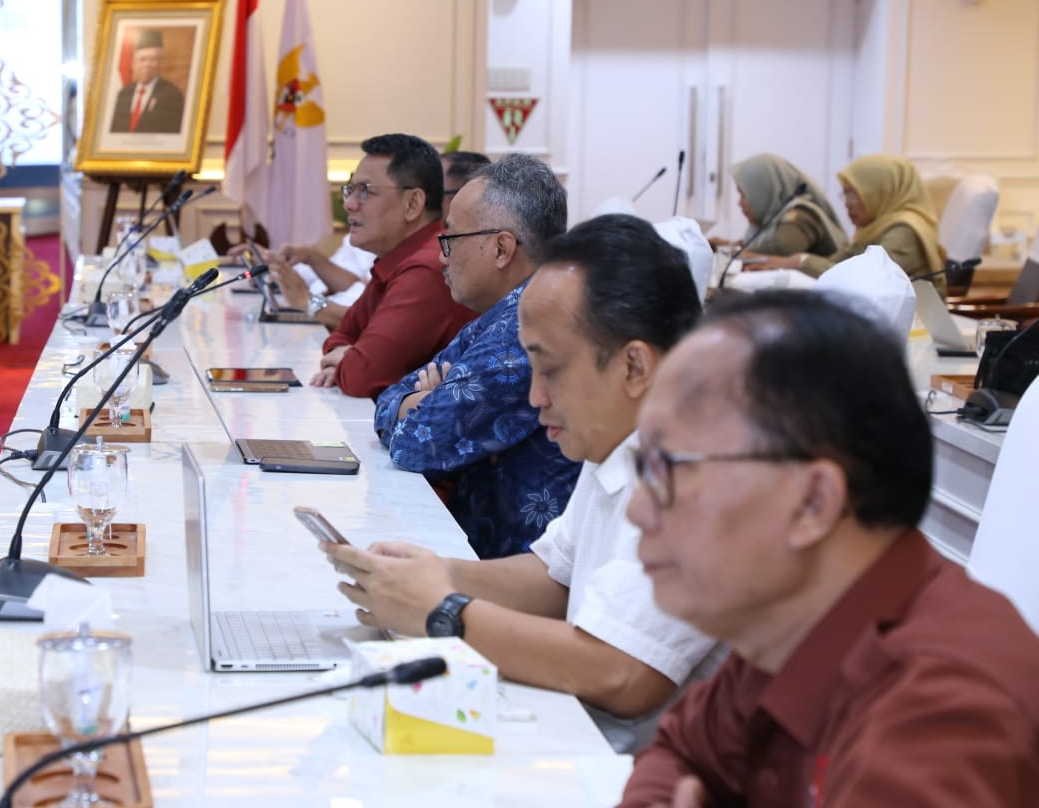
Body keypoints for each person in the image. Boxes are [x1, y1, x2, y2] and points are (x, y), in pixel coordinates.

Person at [620, 290, 1039, 807]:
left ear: (813, 502)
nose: (637, 509)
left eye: (669, 467)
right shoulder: (792, 619)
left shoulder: (945, 713)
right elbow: (678, 753)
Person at [324, 216, 720, 752]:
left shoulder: (702, 467)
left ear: (633, 366)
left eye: (551, 369)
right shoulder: (621, 432)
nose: (535, 397)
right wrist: (434, 573)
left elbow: (623, 674)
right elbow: (556, 577)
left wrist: (444, 611)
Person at [374, 154, 581, 559]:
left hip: (517, 578)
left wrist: (424, 405)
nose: (441, 257)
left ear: (502, 248)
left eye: (450, 238)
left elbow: (416, 445)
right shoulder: (513, 307)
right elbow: (393, 395)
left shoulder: (531, 325)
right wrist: (424, 402)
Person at [312, 134, 476, 398]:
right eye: (351, 190)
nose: (349, 204)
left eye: (365, 191)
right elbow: (341, 335)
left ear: (412, 204)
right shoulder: (398, 258)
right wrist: (345, 355)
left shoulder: (429, 267)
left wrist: (348, 360)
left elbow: (362, 377)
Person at [266, 149, 491, 329]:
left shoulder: (434, 262)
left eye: (366, 192)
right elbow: (362, 322)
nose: (351, 204)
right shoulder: (392, 246)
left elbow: (366, 359)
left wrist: (308, 302)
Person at [746, 154, 947, 297]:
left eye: (853, 193)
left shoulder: (905, 230)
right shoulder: (873, 228)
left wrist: (800, 261)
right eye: (845, 193)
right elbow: (837, 265)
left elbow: (865, 280)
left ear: (882, 190)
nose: (847, 202)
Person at [717, 153, 846, 257]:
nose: (739, 203)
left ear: (765, 191)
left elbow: (781, 250)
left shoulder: (801, 215)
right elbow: (756, 245)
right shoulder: (771, 218)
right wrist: (723, 246)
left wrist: (731, 253)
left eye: (744, 195)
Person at [109, 29, 185, 134]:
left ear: (160, 63)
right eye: (142, 59)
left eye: (153, 59)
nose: (147, 64)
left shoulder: (172, 95)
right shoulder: (123, 94)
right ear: (133, 64)